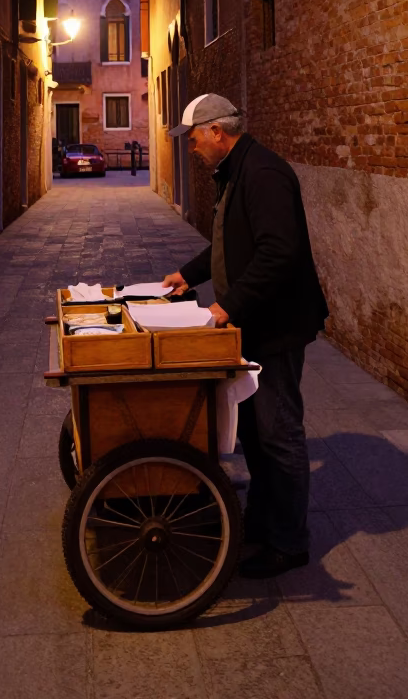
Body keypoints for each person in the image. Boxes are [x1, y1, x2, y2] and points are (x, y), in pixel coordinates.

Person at [163, 93, 328, 578]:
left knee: (278, 433)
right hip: (253, 321)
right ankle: (260, 525)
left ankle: (289, 543)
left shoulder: (264, 174)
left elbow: (279, 253)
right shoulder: (236, 170)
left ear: (217, 131)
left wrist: (226, 305)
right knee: (256, 434)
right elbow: (229, 241)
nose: (192, 148)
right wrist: (188, 275)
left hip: (274, 325)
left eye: (194, 139)